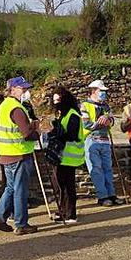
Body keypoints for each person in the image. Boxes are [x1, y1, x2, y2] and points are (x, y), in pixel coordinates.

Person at [0, 77, 40, 235]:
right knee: (20, 190)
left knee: (11, 188)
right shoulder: (16, 108)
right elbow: (26, 133)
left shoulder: (4, 105)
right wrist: (37, 131)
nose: (25, 91)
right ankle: (21, 224)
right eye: (22, 88)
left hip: (6, 153)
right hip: (19, 154)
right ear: (12, 89)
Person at [80, 80, 120, 207]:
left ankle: (111, 194)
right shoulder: (84, 105)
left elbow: (112, 121)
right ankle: (102, 196)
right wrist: (100, 122)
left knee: (108, 168)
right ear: (93, 91)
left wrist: (108, 119)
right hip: (91, 140)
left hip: (105, 140)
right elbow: (86, 124)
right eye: (101, 91)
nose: (103, 93)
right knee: (96, 169)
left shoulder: (106, 106)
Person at [49, 87, 84, 223]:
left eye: (58, 100)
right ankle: (63, 211)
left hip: (70, 156)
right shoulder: (64, 114)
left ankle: (70, 214)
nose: (56, 103)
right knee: (61, 185)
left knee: (68, 186)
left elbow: (72, 135)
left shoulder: (72, 114)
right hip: (63, 156)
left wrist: (57, 132)